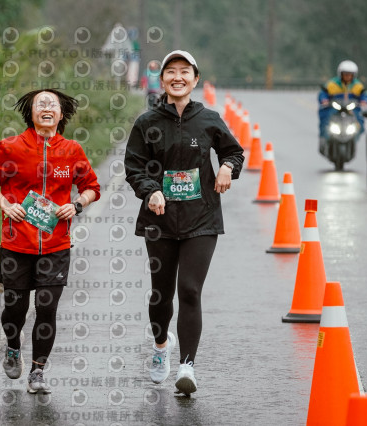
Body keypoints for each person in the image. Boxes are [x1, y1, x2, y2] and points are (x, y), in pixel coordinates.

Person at [124, 50, 244, 396]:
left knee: (190, 290)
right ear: (162, 80)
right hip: (159, 219)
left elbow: (234, 152)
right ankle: (161, 345)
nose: (177, 77)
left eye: (184, 71)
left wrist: (227, 167)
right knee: (161, 294)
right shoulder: (147, 123)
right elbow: (133, 166)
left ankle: (187, 366)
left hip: (201, 217)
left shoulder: (209, 119)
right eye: (171, 72)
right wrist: (151, 191)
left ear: (195, 79)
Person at [0, 89, 100, 394]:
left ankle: (37, 371)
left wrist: (77, 204)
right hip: (16, 244)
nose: (46, 108)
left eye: (52, 104)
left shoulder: (72, 150)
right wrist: (5, 204)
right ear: (30, 114)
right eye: (40, 104)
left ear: (61, 114)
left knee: (46, 308)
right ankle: (13, 346)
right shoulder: (11, 147)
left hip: (56, 245)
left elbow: (92, 187)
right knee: (15, 309)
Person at [318, 60, 367, 152]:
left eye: (350, 74)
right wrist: (324, 100)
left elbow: (364, 95)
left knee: (360, 123)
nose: (348, 76)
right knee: (326, 120)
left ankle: (353, 140)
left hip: (351, 109)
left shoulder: (357, 85)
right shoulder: (332, 84)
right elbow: (323, 93)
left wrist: (364, 101)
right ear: (341, 74)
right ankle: (325, 139)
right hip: (335, 108)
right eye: (345, 74)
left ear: (354, 75)